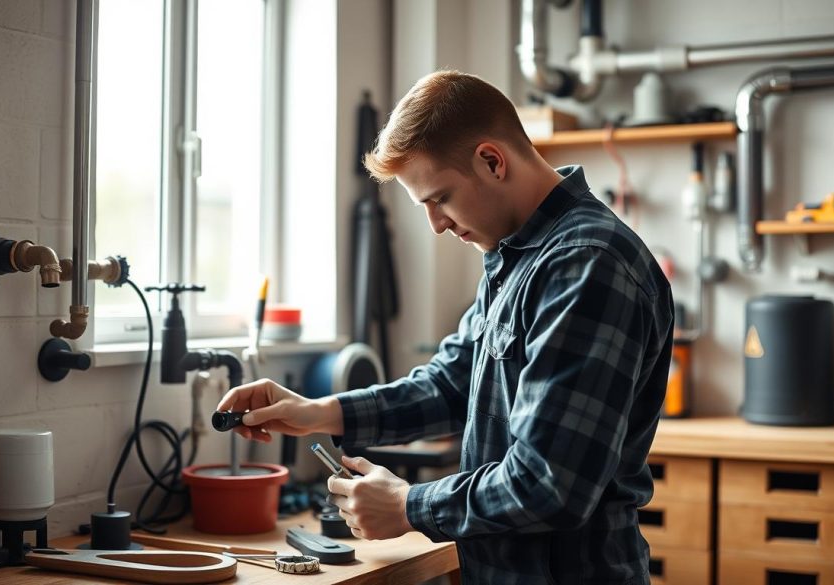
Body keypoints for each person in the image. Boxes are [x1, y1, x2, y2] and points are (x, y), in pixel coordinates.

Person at [217, 70, 674, 585]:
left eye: (440, 198)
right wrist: (318, 413)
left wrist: (410, 505)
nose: (435, 224)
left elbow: (549, 484)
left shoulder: (587, 264)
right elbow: (453, 384)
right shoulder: (515, 257)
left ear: (492, 160)